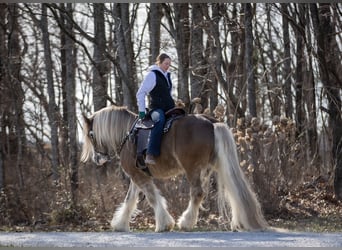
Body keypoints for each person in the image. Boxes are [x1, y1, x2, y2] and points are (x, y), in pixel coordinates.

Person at [136, 53, 175, 165]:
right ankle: (150, 153)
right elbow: (141, 93)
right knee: (159, 119)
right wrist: (142, 111)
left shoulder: (167, 76)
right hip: (156, 109)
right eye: (166, 63)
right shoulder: (152, 75)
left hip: (169, 108)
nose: (168, 66)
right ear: (159, 62)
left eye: (169, 64)